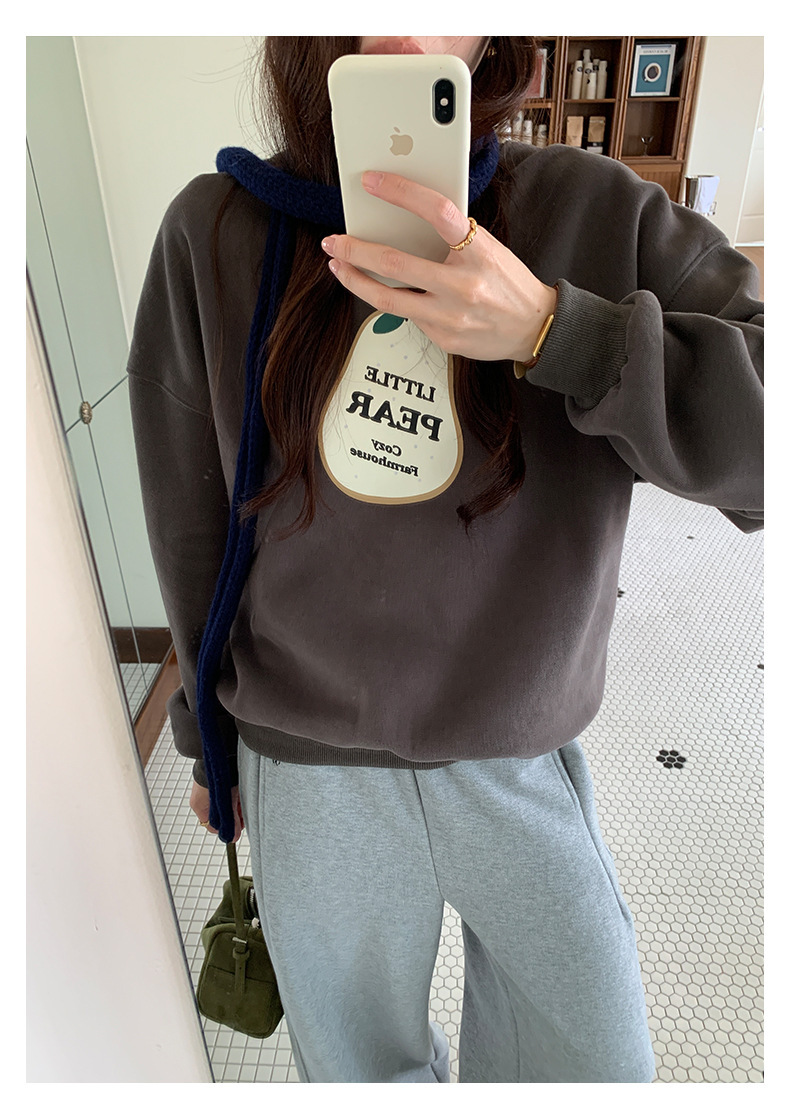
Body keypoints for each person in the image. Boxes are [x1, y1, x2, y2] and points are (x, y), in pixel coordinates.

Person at [127, 36, 763, 1084]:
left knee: (594, 1070)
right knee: (359, 1077)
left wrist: (559, 330)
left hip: (516, 754)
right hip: (307, 767)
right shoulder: (213, 229)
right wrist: (210, 746)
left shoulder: (596, 213)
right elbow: (187, 521)